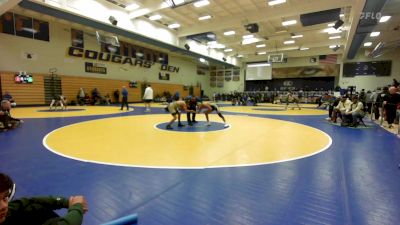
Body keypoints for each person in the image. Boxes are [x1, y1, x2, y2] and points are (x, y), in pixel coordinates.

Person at [0, 173, 88, 225]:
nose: (3, 206)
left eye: (4, 198)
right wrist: (76, 207)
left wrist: (66, 202)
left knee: (39, 210)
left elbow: (30, 202)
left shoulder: (9, 209)